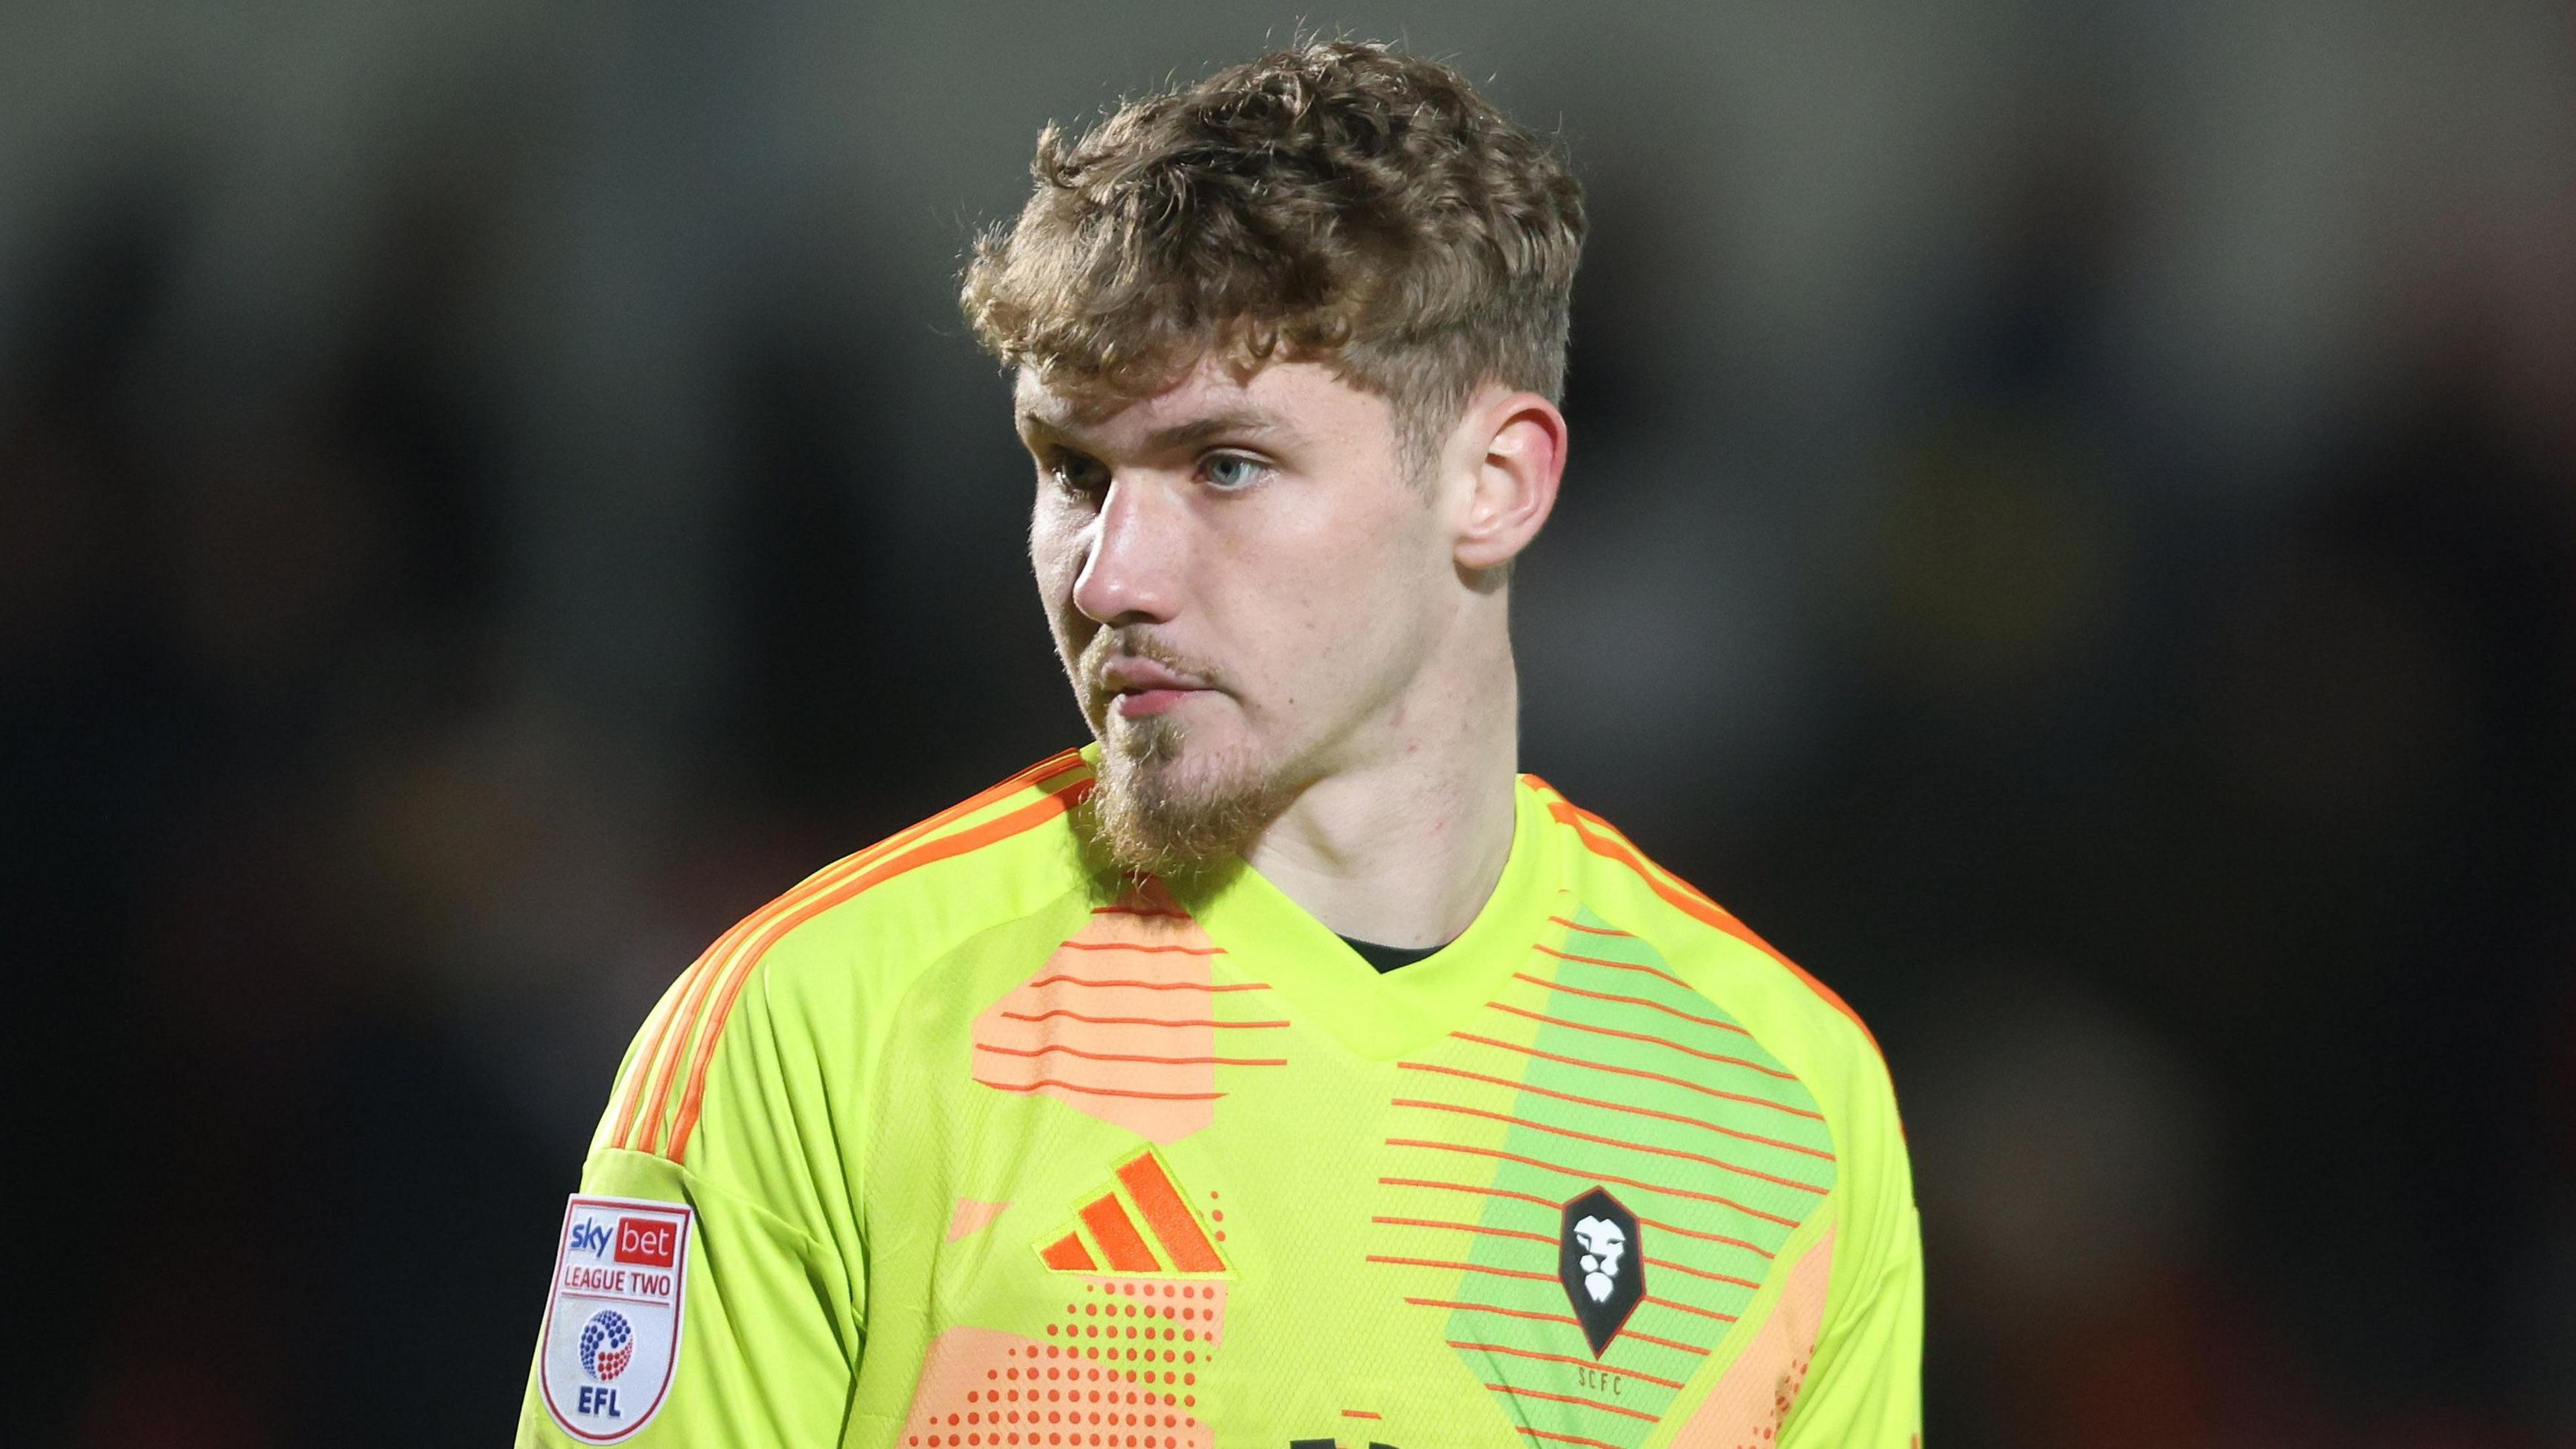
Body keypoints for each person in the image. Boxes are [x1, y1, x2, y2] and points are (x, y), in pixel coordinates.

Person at [517, 40, 1919, 1449]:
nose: (1109, 575)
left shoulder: (1784, 1105)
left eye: (1225, 464)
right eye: (1072, 473)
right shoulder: (819, 1031)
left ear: (1495, 485)